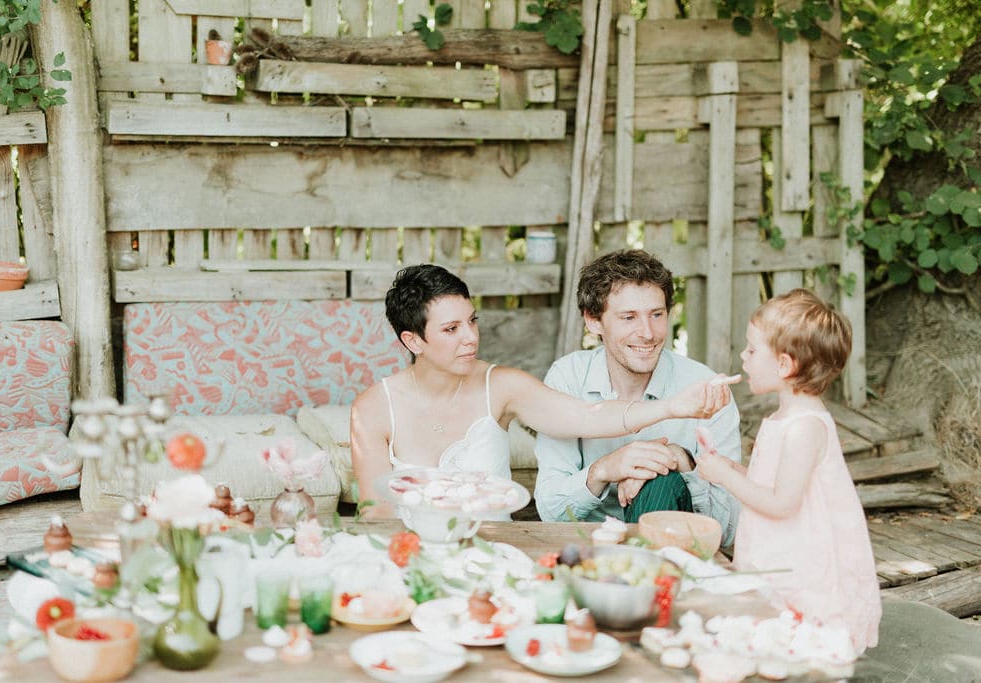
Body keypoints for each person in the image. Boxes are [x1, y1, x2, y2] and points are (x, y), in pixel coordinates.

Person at [351, 264, 737, 519]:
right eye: (452, 330)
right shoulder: (371, 409)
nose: (471, 338)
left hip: (490, 551)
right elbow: (376, 514)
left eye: (472, 321)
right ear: (413, 341)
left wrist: (672, 408)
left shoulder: (502, 385)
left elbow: (588, 415)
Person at [696, 288, 881, 653]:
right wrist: (736, 468)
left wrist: (724, 476)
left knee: (799, 627)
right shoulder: (783, 418)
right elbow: (772, 484)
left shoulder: (805, 427)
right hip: (777, 544)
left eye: (751, 350)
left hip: (802, 553)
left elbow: (783, 503)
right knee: (772, 623)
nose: (742, 357)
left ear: (784, 365)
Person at [533, 250, 742, 546]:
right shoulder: (568, 379)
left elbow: (728, 528)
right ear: (593, 321)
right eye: (629, 317)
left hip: (674, 559)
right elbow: (551, 510)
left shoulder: (705, 388)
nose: (647, 333)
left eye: (656, 315)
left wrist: (681, 461)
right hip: (590, 551)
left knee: (661, 479)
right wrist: (605, 469)